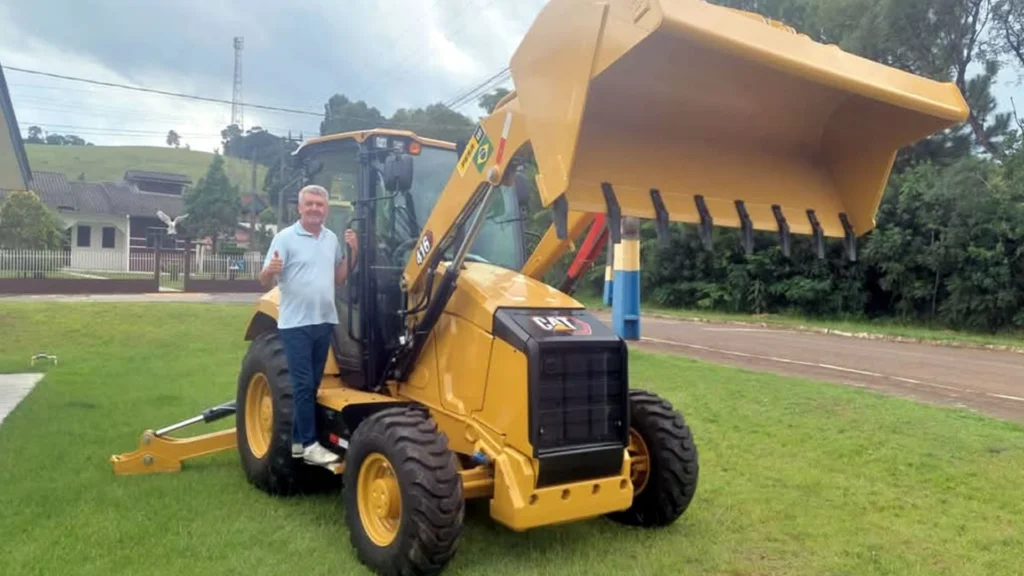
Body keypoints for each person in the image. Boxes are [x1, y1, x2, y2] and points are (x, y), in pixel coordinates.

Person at [259, 184, 358, 466]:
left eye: (320, 204)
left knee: (312, 385)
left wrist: (354, 252)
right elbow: (264, 280)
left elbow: (339, 278)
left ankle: (297, 444)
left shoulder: (331, 240)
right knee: (302, 385)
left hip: (324, 321)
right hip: (296, 324)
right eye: (310, 204)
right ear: (300, 208)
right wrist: (270, 271)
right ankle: (311, 445)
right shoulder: (285, 238)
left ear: (326, 209)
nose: (315, 208)